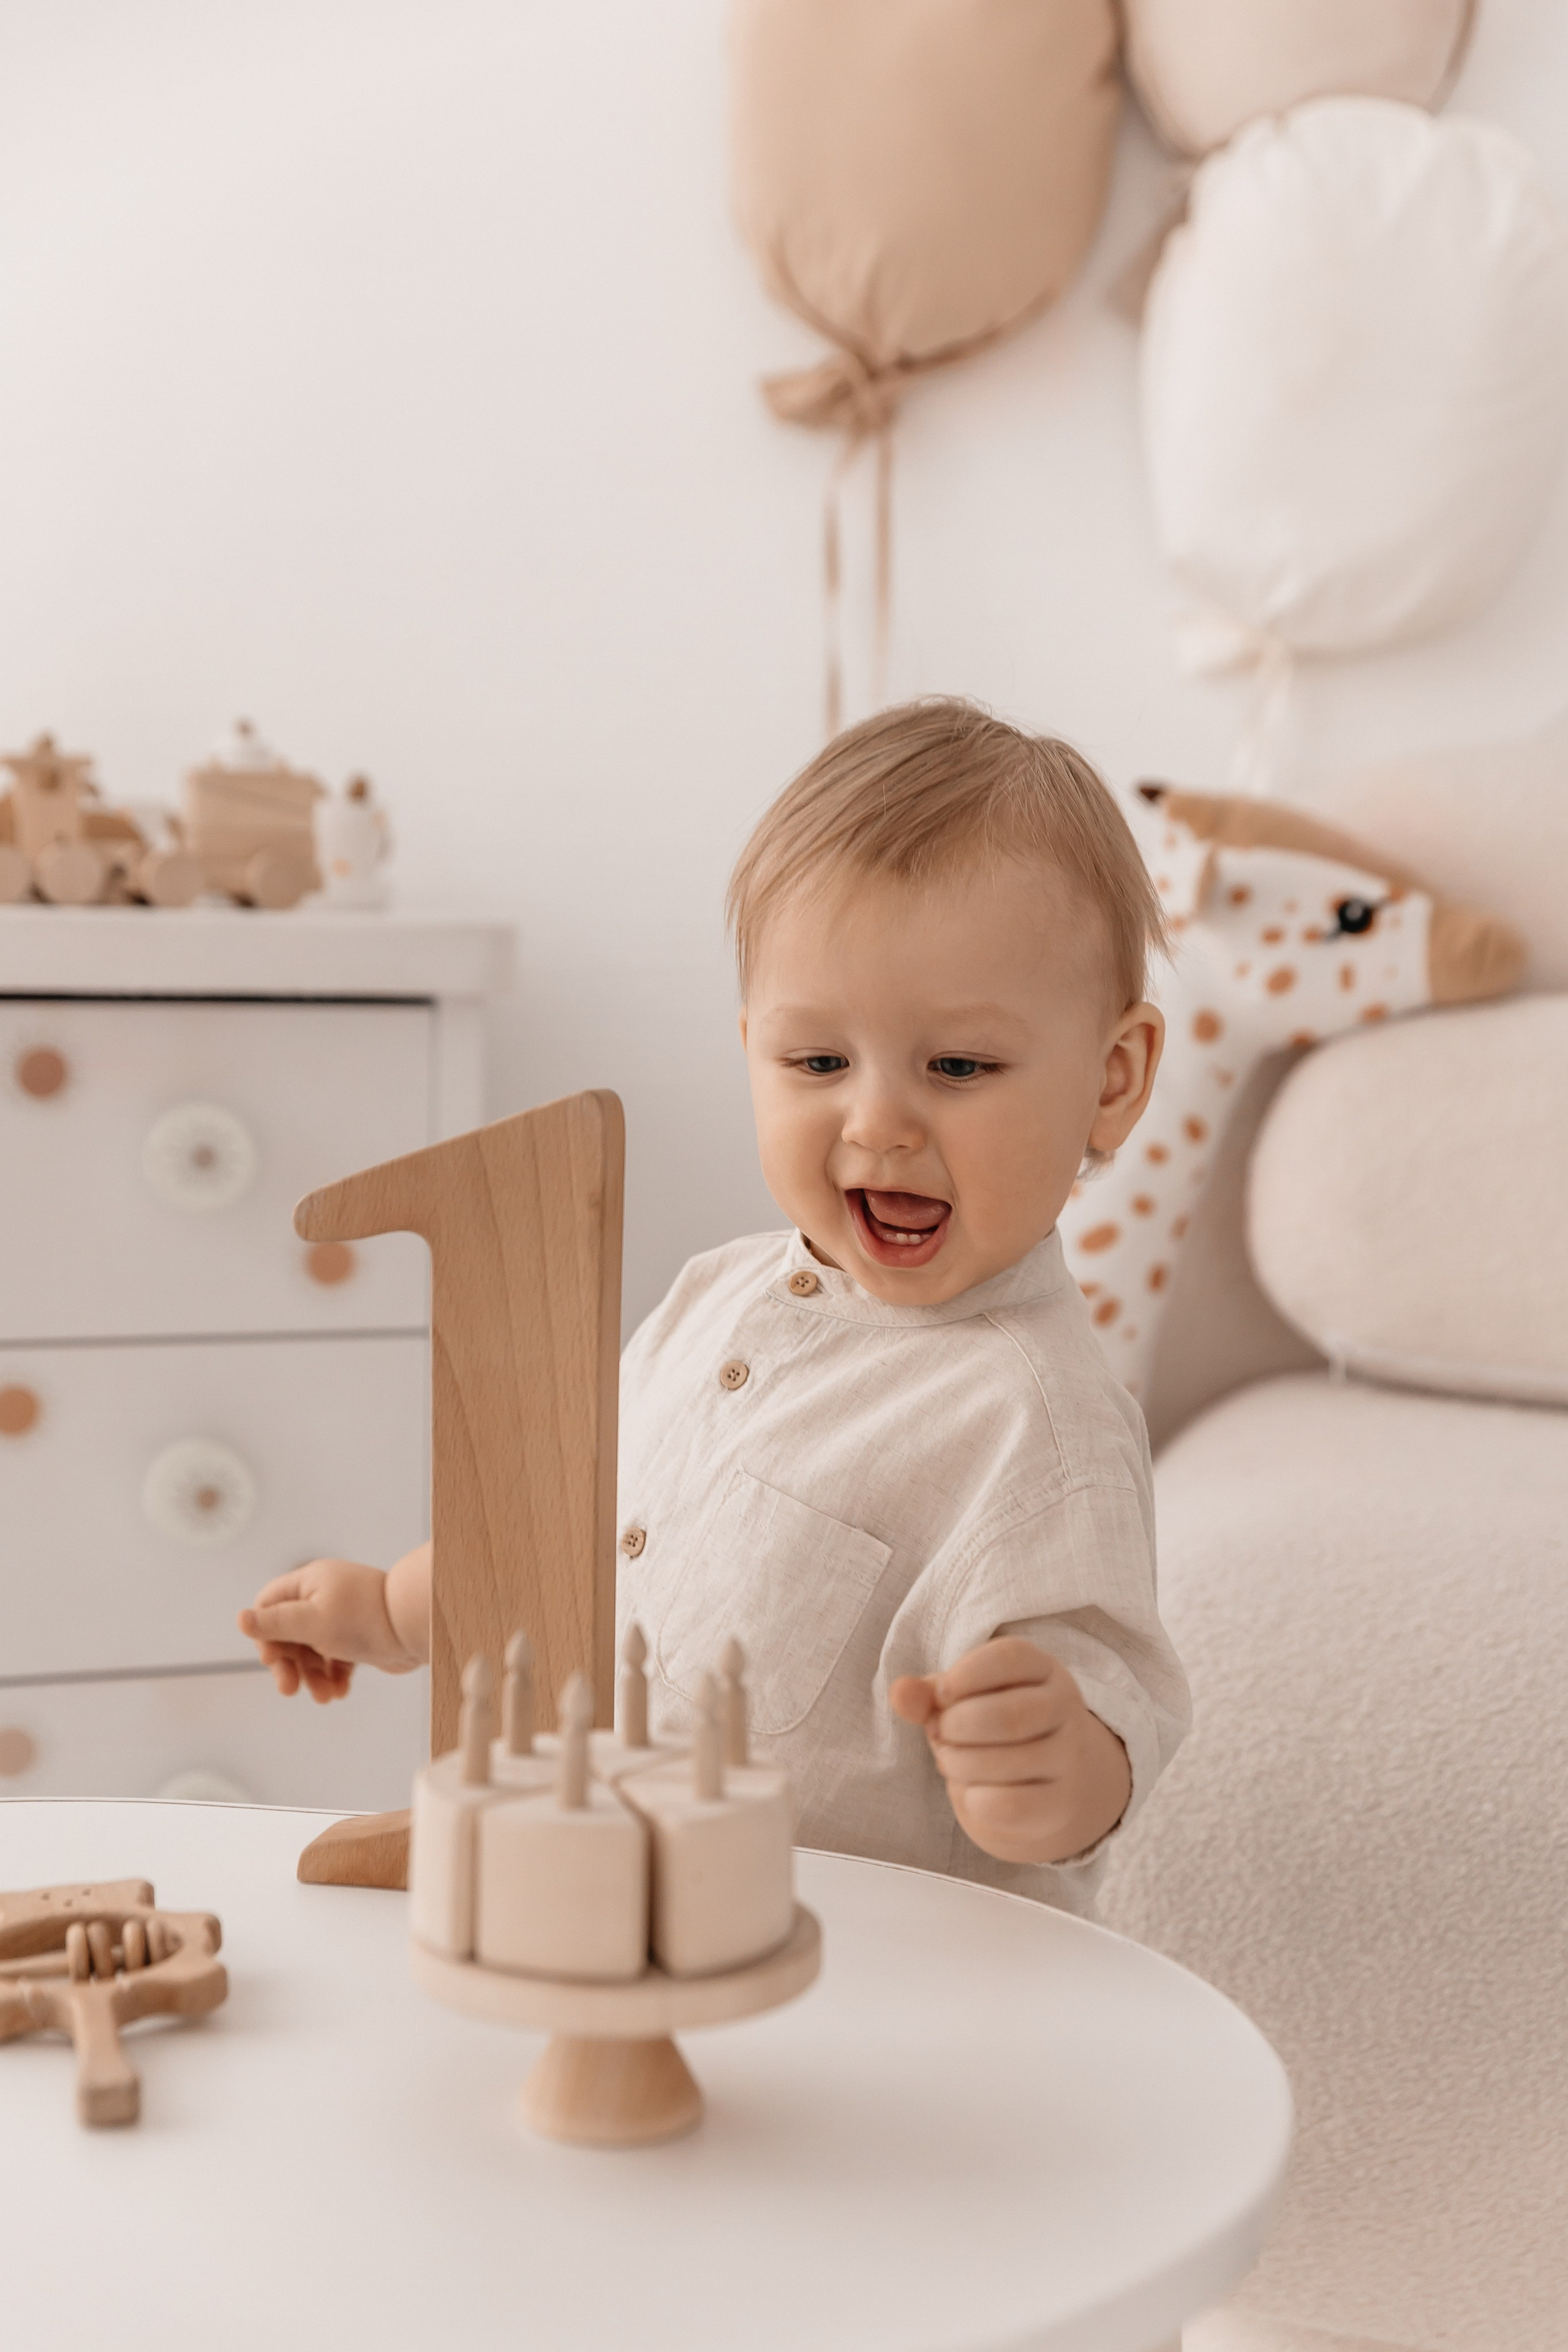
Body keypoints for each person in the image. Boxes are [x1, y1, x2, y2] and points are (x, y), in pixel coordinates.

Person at [241, 699, 1189, 1912]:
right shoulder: (709, 1298)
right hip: (619, 1916)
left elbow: (1106, 1687)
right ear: (751, 1046)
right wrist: (390, 1606)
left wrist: (1063, 1761)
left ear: (1111, 1081)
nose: (876, 1123)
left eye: (957, 1067)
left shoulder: (1031, 1417)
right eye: (815, 1063)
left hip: (863, 1982)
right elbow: (592, 1532)